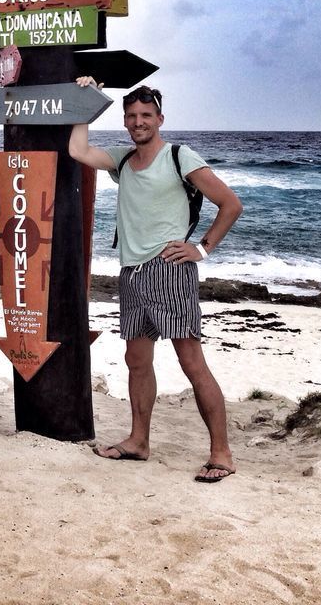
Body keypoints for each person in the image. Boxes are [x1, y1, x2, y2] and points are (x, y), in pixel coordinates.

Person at [68, 79, 243, 483]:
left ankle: (221, 453)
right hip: (132, 272)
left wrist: (201, 249)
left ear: (160, 118)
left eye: (146, 115)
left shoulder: (180, 157)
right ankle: (138, 441)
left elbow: (230, 204)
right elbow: (77, 150)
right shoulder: (124, 160)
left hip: (169, 270)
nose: (137, 122)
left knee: (191, 362)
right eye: (131, 116)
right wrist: (84, 100)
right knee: (136, 362)